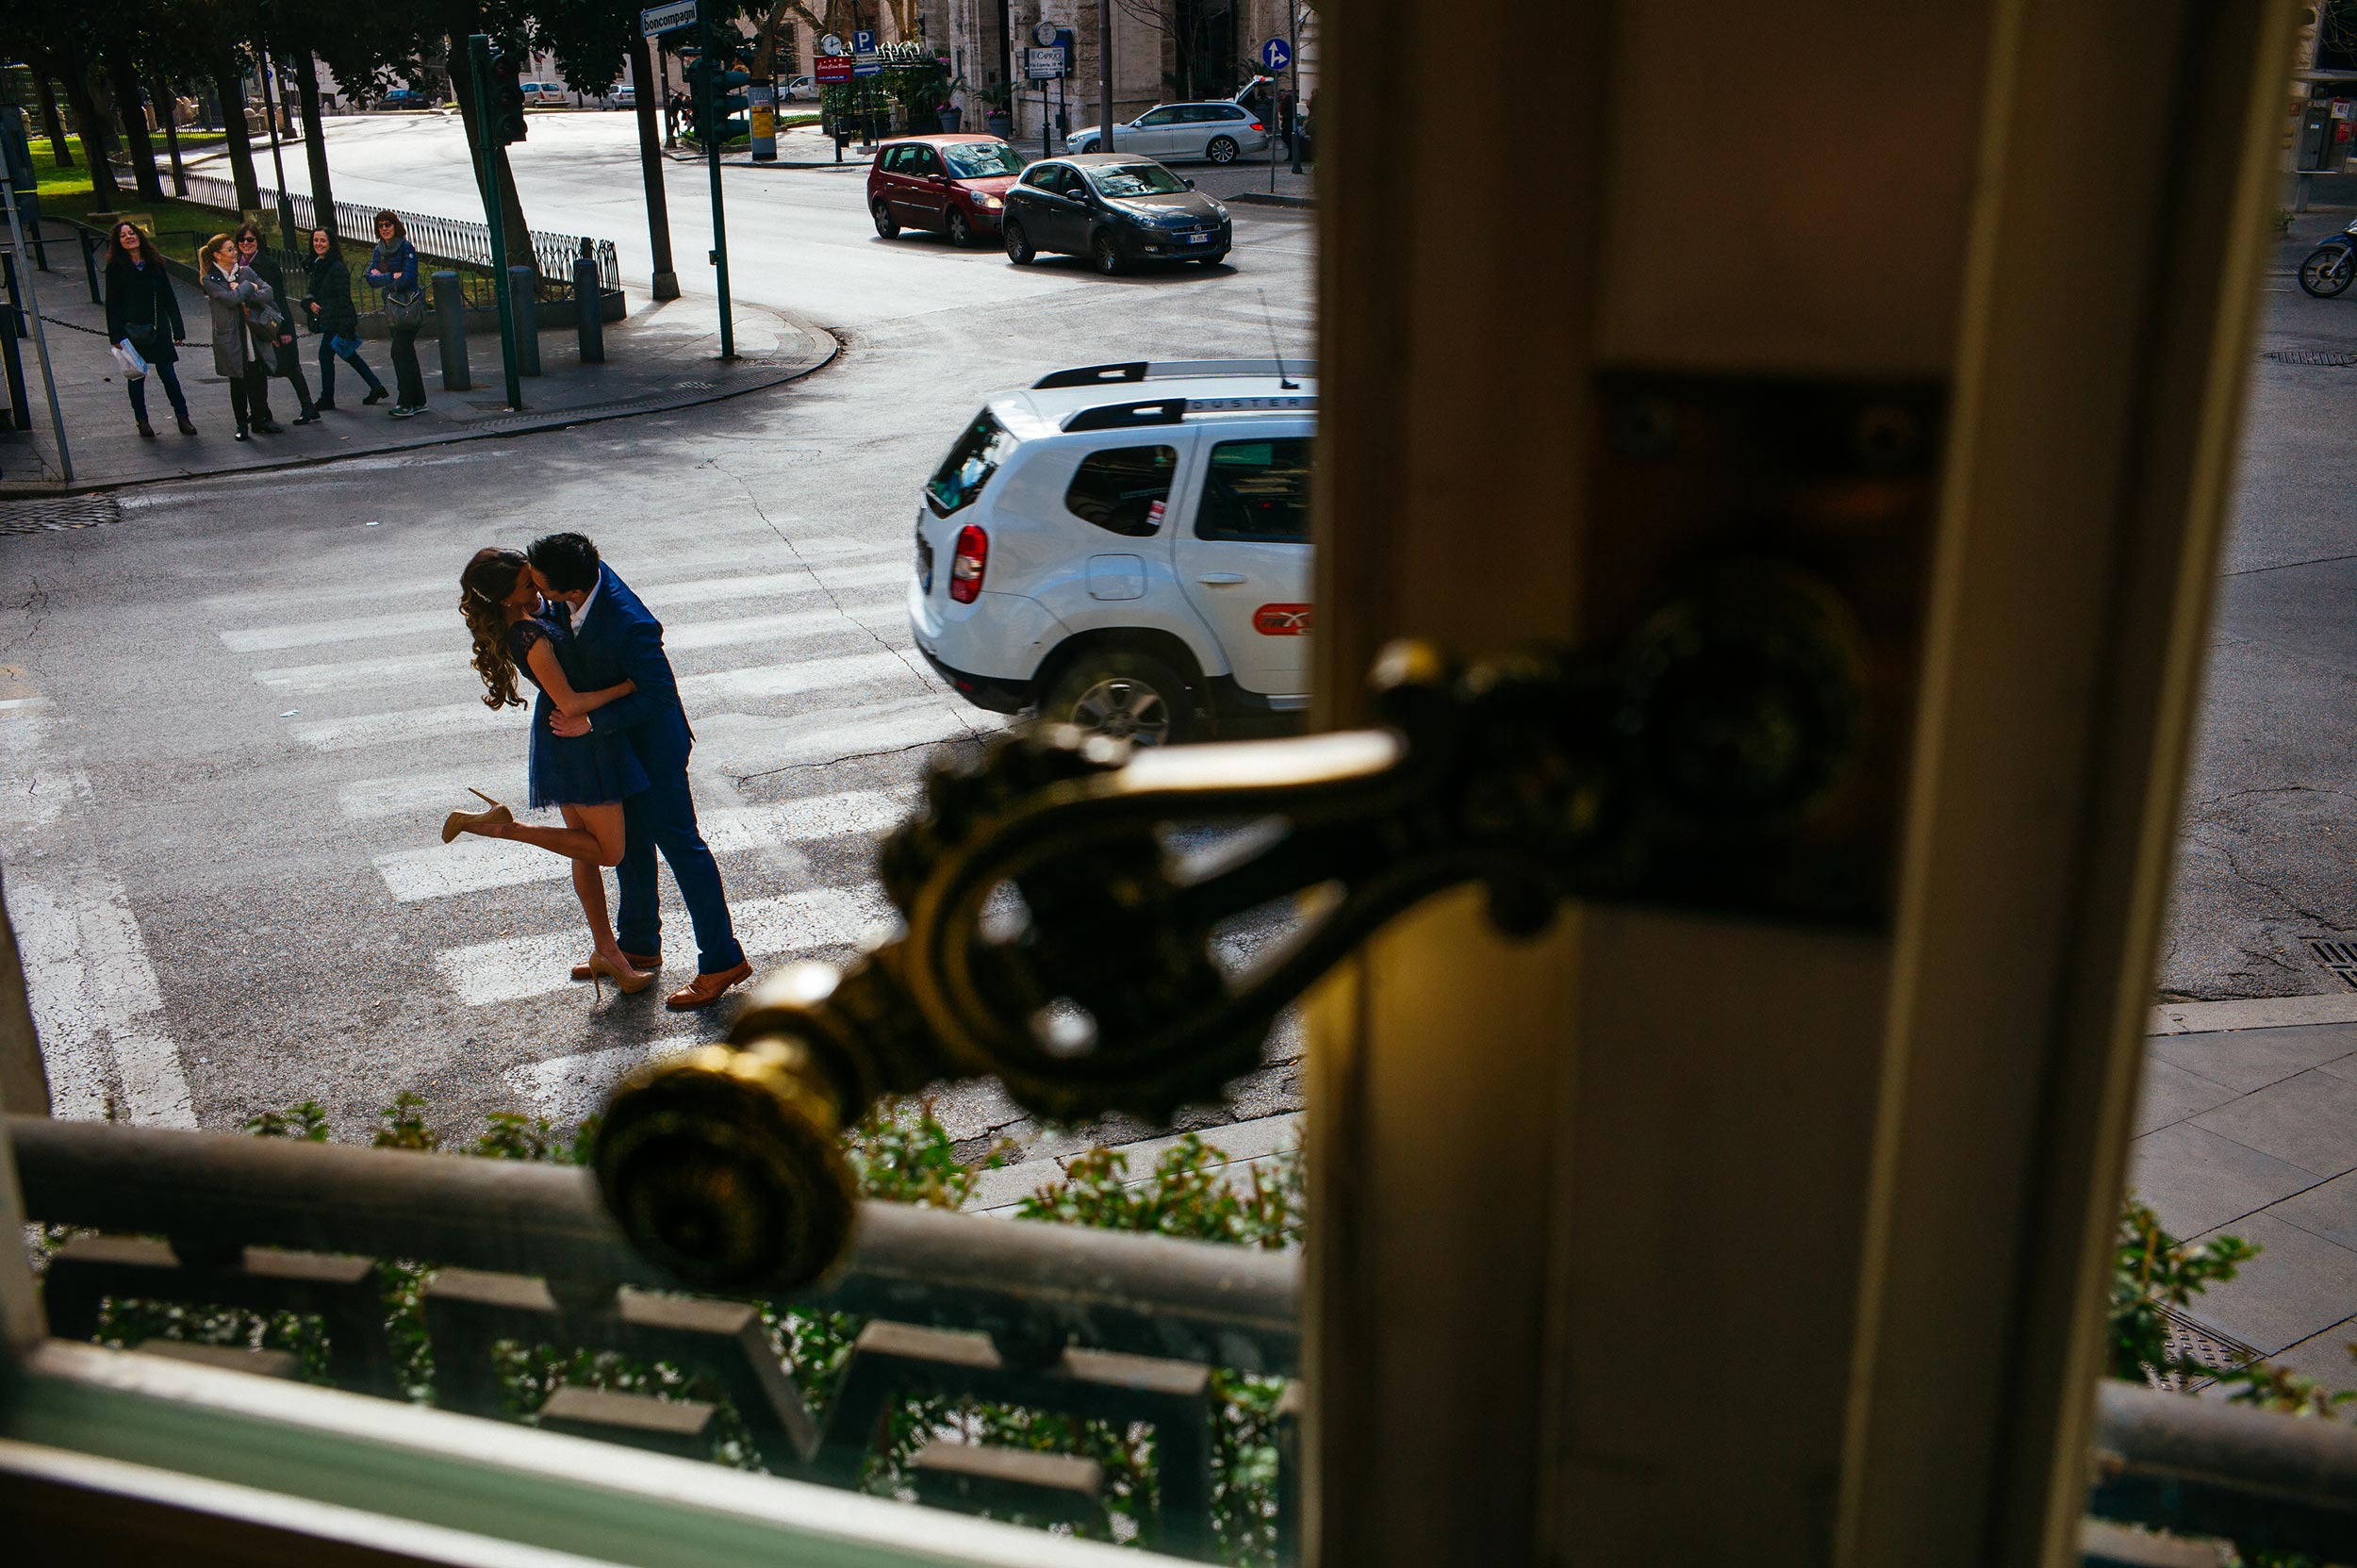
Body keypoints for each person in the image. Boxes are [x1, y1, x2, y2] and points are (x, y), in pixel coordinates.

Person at [527, 531, 753, 1011]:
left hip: (654, 751)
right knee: (629, 847)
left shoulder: (630, 624)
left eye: (540, 582)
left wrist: (591, 720)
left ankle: (722, 960)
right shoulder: (577, 593)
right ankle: (639, 944)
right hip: (618, 751)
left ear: (569, 589)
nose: (534, 589)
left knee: (683, 850)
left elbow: (658, 696)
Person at [445, 548, 658, 998]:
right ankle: (507, 828)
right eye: (529, 584)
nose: (539, 587)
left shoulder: (522, 618)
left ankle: (607, 952)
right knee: (609, 852)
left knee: (583, 851)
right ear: (507, 598)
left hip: (565, 741)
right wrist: (626, 685)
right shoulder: (529, 637)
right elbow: (572, 704)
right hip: (578, 740)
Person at [102, 221, 195, 437]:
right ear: (118, 242)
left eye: (131, 233)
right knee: (136, 377)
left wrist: (178, 329)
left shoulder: (154, 263)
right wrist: (115, 334)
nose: (128, 237)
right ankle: (142, 421)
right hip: (131, 330)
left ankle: (183, 417)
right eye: (123, 235)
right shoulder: (116, 267)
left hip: (158, 327)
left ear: (139, 236)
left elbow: (169, 297)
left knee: (169, 375)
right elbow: (112, 302)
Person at [233, 224, 321, 425]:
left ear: (258, 242)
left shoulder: (267, 264)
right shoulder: (237, 265)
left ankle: (308, 406)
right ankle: (262, 411)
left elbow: (278, 297)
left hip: (271, 321)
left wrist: (284, 329)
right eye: (242, 240)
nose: (246, 243)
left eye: (251, 240)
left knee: (289, 365)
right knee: (259, 368)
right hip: (253, 325)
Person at [198, 233, 281, 439]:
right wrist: (247, 287)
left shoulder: (246, 271)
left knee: (258, 376)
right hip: (231, 337)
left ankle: (261, 418)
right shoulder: (211, 279)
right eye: (229, 250)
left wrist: (250, 290)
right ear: (217, 255)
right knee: (238, 381)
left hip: (253, 333)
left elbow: (269, 292)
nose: (234, 252)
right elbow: (231, 299)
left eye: (233, 249)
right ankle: (241, 423)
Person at [302, 228, 388, 411]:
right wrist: (309, 303)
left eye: (322, 241)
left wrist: (346, 324)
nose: (318, 244)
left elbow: (344, 298)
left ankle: (327, 398)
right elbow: (313, 292)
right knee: (348, 353)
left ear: (330, 243)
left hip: (337, 319)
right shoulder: (317, 264)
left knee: (325, 356)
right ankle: (376, 386)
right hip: (328, 317)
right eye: (316, 240)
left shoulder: (336, 268)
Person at [363, 211, 428, 418]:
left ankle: (406, 401)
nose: (384, 228)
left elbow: (408, 278)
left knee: (399, 352)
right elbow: (370, 278)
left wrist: (384, 280)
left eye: (388, 225)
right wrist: (392, 276)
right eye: (381, 225)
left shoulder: (406, 247)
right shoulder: (379, 250)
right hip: (392, 308)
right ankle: (419, 400)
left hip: (408, 307)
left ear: (395, 226)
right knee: (406, 353)